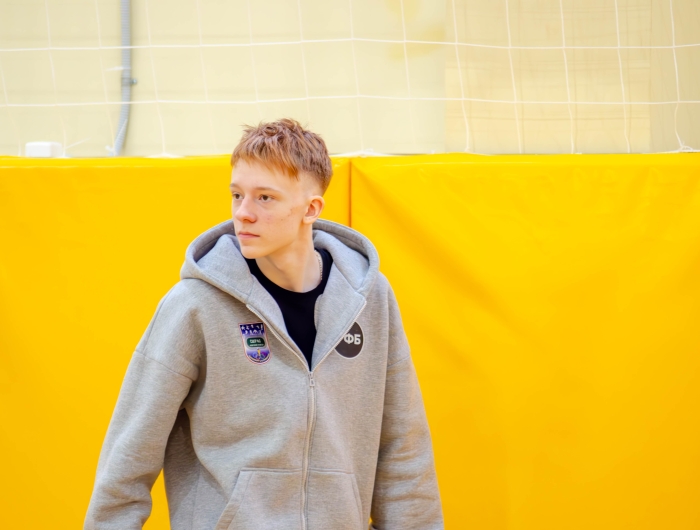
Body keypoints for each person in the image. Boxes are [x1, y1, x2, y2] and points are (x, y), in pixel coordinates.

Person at [84, 118, 443, 530]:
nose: (243, 213)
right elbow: (129, 456)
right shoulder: (194, 305)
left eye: (265, 198)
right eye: (237, 195)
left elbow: (403, 449)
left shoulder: (370, 299)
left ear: (311, 209)